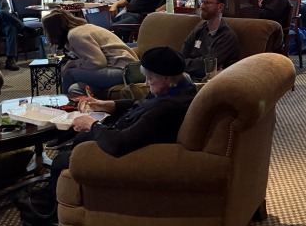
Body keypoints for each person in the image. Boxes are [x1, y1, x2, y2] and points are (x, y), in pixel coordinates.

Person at [47, 46, 198, 199]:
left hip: (129, 154)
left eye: (150, 78)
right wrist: (109, 104)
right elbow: (142, 103)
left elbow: (120, 144)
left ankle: (49, 211)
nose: (146, 83)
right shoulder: (179, 88)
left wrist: (91, 124)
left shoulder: (167, 108)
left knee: (60, 161)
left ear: (166, 77)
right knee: (81, 139)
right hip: (126, 132)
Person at [41, 9, 136, 98]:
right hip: (118, 68)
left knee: (70, 74)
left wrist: (72, 64)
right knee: (75, 88)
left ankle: (65, 109)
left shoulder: (75, 35)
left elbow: (98, 63)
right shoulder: (83, 29)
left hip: (123, 71)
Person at [181, 0, 238, 80]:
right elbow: (182, 56)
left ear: (220, 7)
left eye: (207, 3)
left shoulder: (227, 37)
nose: (202, 6)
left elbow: (206, 66)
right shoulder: (199, 29)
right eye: (202, 2)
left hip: (206, 84)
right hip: (186, 78)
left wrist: (184, 64)